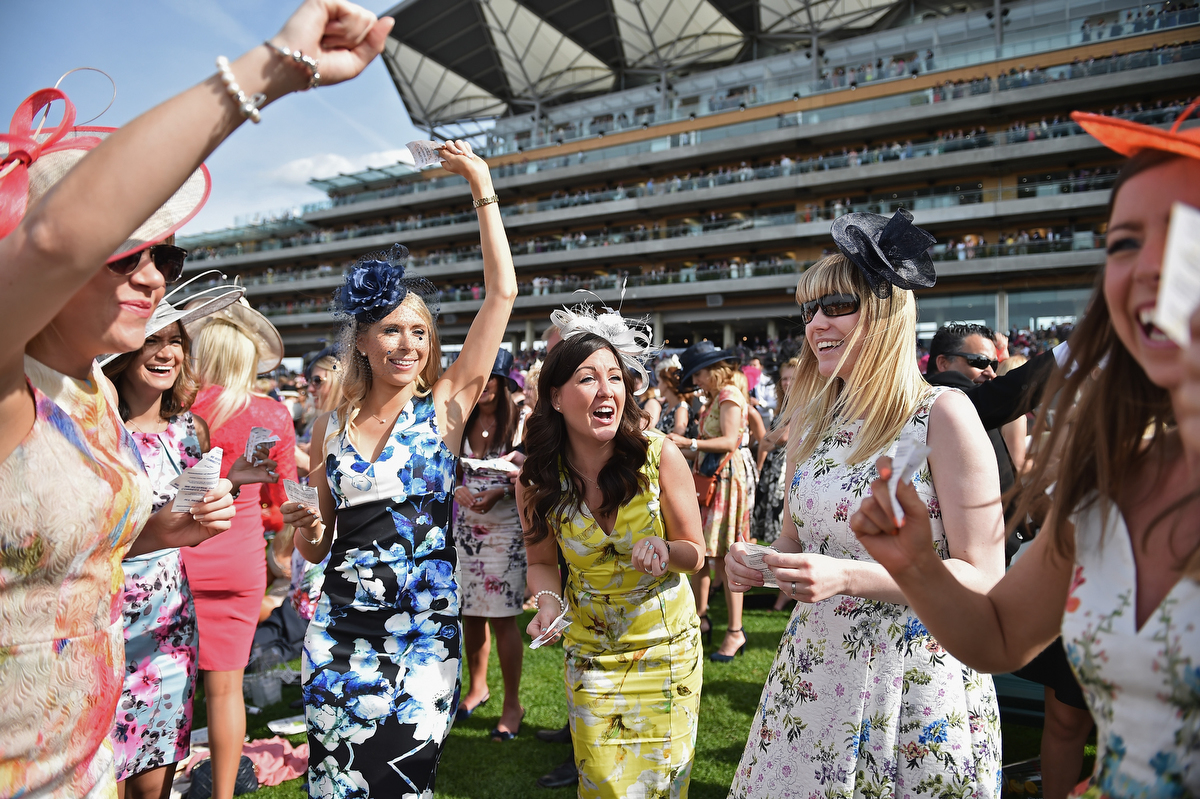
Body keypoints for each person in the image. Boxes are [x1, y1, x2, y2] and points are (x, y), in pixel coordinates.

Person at [0, 5, 393, 780]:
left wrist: (159, 531)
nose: (153, 276)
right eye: (124, 256)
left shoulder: (90, 392)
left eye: (166, 255)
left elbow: (50, 557)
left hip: (84, 763)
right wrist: (276, 68)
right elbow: (53, 238)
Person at [851, 103, 1200, 797]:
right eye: (1125, 241)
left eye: (1187, 228)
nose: (1150, 266)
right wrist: (918, 564)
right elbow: (1003, 635)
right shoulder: (1112, 481)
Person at [725, 209, 1005, 794]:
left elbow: (982, 575)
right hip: (812, 676)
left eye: (837, 306)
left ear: (885, 314)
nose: (817, 324)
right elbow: (796, 544)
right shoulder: (810, 423)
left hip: (912, 680)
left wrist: (848, 577)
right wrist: (757, 561)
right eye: (809, 310)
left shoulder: (942, 417)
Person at [283, 137, 517, 797]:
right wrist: (303, 523)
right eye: (390, 330)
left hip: (422, 635)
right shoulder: (327, 426)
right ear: (361, 340)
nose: (407, 343)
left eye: (419, 331)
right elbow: (318, 540)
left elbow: (502, 292)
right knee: (335, 786)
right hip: (339, 631)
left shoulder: (447, 408)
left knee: (404, 781)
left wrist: (481, 182)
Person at [518, 313, 706, 799]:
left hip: (667, 652)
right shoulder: (537, 479)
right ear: (556, 398)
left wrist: (667, 550)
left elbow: (696, 553)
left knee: (665, 788)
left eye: (615, 378)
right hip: (591, 656)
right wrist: (546, 603)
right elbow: (540, 561)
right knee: (601, 785)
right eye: (587, 378)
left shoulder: (659, 456)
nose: (607, 391)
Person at [102, 284, 279, 799]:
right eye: (152, 340)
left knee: (153, 781)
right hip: (104, 622)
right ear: (124, 350)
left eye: (176, 341)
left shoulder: (190, 430)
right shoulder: (97, 427)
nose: (167, 352)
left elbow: (184, 501)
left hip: (169, 624)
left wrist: (238, 477)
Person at [180, 297, 295, 798]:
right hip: (241, 554)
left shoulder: (179, 408)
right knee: (225, 692)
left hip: (176, 551)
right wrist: (280, 560)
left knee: (163, 689)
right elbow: (287, 499)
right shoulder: (271, 413)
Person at [454, 348, 528, 741]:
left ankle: (512, 703)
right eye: (480, 379)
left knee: (502, 618)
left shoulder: (521, 423)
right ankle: (477, 688)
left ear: (503, 383)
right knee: (470, 613)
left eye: (492, 379)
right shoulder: (460, 421)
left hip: (505, 530)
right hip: (466, 528)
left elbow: (532, 475)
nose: (484, 387)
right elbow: (445, 469)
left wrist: (500, 490)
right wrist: (458, 490)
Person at [669, 342, 752, 662]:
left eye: (699, 374)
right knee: (703, 550)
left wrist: (687, 441)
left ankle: (734, 631)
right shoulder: (717, 398)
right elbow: (706, 446)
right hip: (713, 478)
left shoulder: (729, 394)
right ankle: (700, 618)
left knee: (731, 554)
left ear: (714, 370)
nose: (697, 382)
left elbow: (729, 441)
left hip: (727, 479)